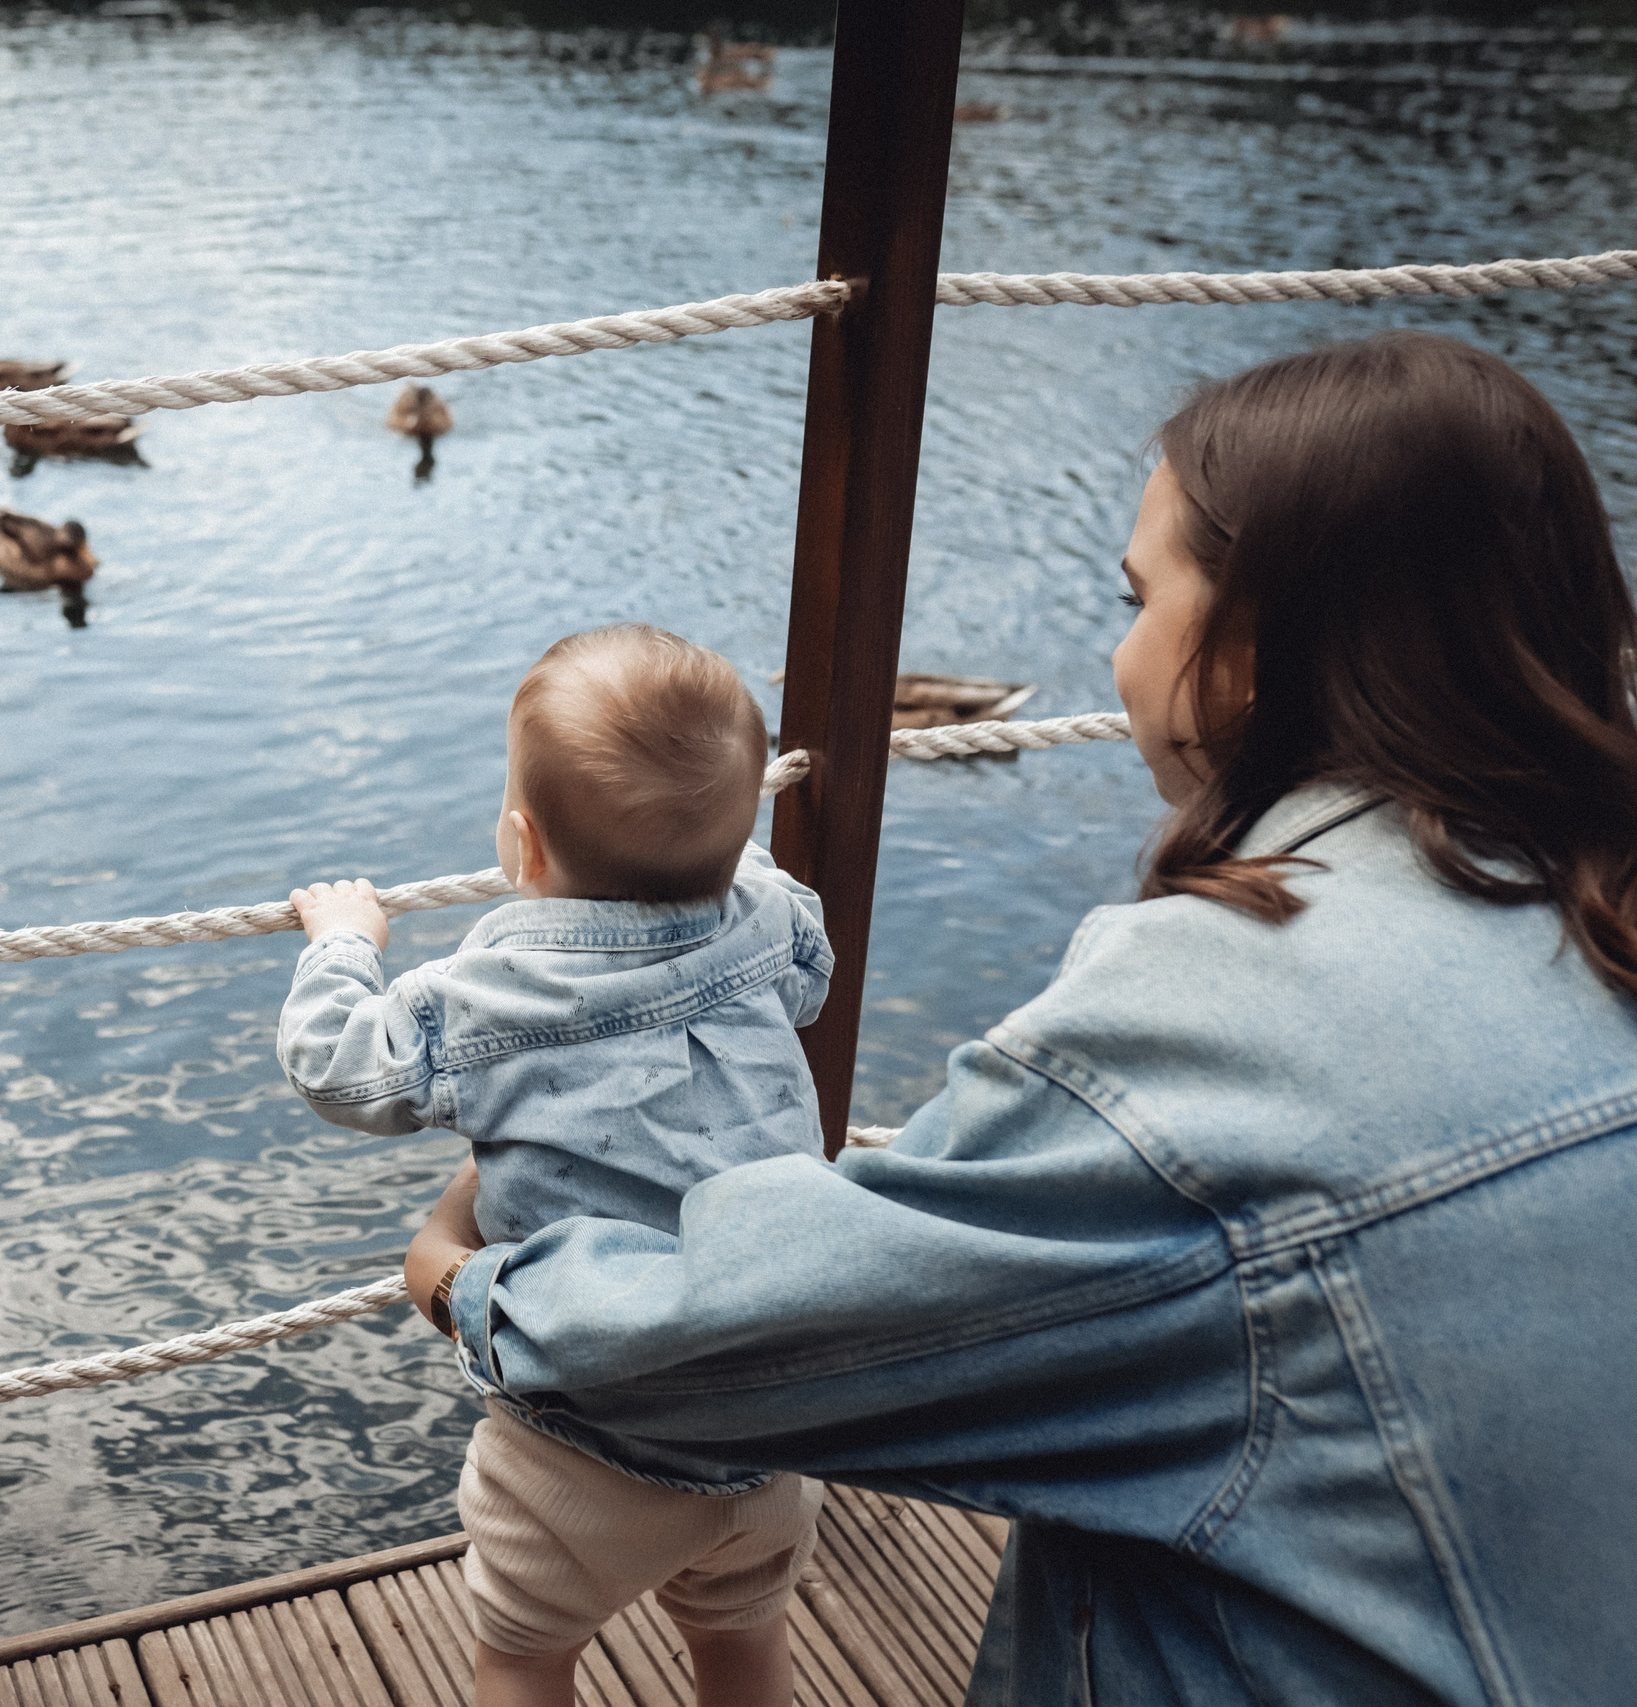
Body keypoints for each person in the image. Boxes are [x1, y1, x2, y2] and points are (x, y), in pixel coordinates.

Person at [403, 332, 1637, 1705]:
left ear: (1245, 652)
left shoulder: (1223, 1016)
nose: (1117, 653)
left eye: (1136, 596)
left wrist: (474, 1282)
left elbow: (754, 1337)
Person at [278, 624, 837, 1707]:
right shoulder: (767, 914)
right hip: (773, 1422)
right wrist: (735, 859)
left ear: (522, 847)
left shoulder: (491, 988)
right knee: (743, 1641)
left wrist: (343, 943)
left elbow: (343, 1073)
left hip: (584, 1443)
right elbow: (805, 976)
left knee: (525, 1657)